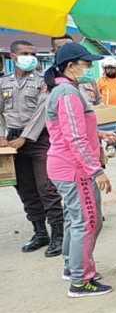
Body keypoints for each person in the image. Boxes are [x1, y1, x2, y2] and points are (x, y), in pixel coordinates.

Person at [43, 43, 114, 297]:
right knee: (88, 222)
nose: (89, 68)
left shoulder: (66, 90)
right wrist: (96, 170)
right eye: (86, 64)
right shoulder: (67, 93)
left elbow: (69, 130)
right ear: (71, 66)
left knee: (76, 221)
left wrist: (100, 133)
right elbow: (74, 137)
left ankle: (71, 267)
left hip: (67, 166)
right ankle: (81, 281)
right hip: (76, 169)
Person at [0, 40, 65, 257]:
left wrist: (26, 137)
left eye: (33, 53)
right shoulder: (4, 82)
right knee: (24, 188)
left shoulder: (44, 81)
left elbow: (43, 110)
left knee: (46, 187)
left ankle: (58, 234)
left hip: (39, 138)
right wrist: (2, 136)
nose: (31, 56)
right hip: (12, 140)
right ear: (13, 57)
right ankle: (40, 232)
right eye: (25, 53)